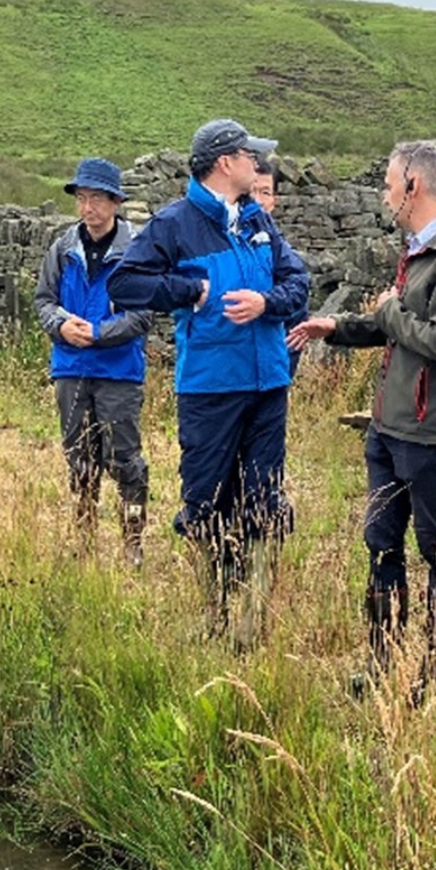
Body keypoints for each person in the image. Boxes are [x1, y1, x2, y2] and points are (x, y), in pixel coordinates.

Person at [289, 141, 436, 696]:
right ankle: (382, 666)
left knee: (435, 551)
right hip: (390, 426)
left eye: (388, 184)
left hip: (430, 433)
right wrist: (340, 328)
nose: (383, 194)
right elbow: (397, 328)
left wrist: (388, 311)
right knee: (381, 543)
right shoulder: (422, 249)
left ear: (414, 188)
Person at [108, 119, 310, 645]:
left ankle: (253, 618)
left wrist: (267, 303)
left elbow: (299, 283)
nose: (259, 165)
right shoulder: (175, 223)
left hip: (268, 383)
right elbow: (125, 282)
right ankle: (213, 610)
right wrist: (191, 290)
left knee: (265, 498)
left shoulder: (257, 221)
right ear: (225, 162)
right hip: (209, 387)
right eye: (251, 156)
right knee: (206, 500)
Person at [33, 156, 157, 566]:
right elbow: (44, 301)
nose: (88, 208)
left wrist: (100, 334)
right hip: (70, 369)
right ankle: (84, 540)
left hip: (118, 371)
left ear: (116, 202)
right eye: (82, 199)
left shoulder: (137, 250)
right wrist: (60, 327)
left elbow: (143, 313)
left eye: (98, 199)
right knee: (79, 458)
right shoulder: (63, 247)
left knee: (125, 461)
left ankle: (132, 544)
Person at [251, 154, 312, 377]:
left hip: (272, 373)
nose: (257, 200)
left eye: (265, 192)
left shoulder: (284, 255)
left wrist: (281, 369)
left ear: (274, 201)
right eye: (251, 191)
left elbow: (298, 311)